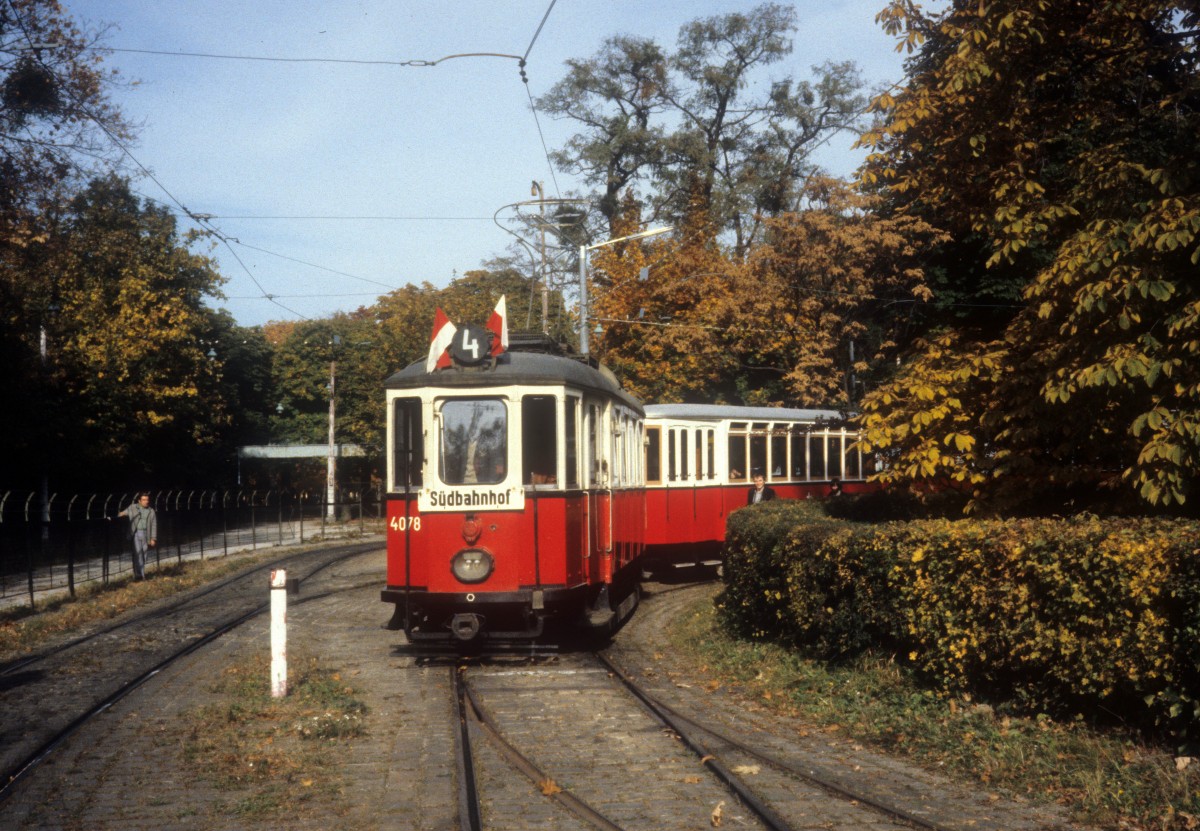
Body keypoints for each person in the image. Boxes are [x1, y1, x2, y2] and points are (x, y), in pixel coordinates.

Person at [118, 492, 157, 580]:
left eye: (147, 500)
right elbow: (123, 513)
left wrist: (153, 538)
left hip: (147, 534)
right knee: (138, 554)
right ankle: (141, 575)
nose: (146, 502)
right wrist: (118, 515)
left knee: (144, 554)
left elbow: (154, 525)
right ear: (139, 501)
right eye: (144, 500)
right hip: (136, 533)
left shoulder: (151, 511)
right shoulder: (133, 507)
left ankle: (138, 574)